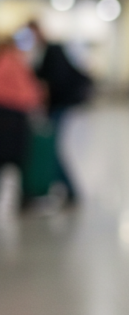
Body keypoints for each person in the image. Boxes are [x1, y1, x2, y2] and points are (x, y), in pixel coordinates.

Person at [28, 20, 92, 203]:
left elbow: (54, 80)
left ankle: (69, 189)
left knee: (52, 147)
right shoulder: (43, 51)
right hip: (56, 105)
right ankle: (63, 187)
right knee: (53, 147)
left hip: (59, 105)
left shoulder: (52, 50)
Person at [0, 38, 44, 214]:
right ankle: (25, 196)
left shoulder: (6, 62)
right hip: (14, 116)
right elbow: (30, 92)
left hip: (6, 114)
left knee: (6, 158)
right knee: (19, 158)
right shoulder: (14, 63)